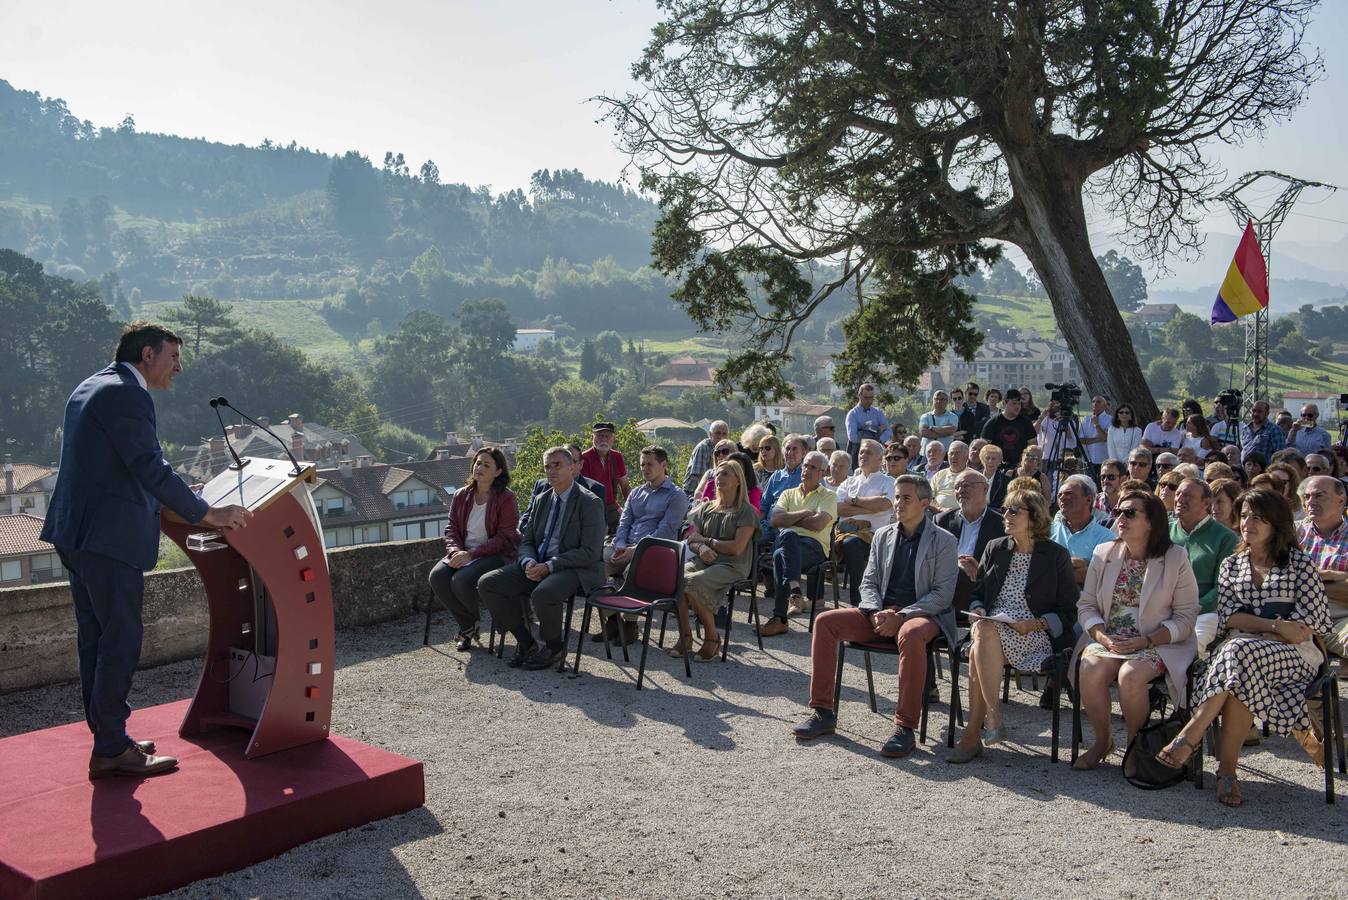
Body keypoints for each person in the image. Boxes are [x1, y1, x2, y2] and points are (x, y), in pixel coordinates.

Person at [41, 322, 253, 778]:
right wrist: (207, 512)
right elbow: (147, 465)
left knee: (95, 640)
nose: (178, 367)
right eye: (174, 357)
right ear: (147, 354)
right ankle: (113, 748)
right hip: (108, 539)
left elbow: (116, 464)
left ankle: (109, 739)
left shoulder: (92, 385)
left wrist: (182, 495)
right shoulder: (127, 394)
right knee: (120, 642)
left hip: (76, 533)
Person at [1157, 490, 1330, 807]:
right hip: (1244, 656)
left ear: (1276, 524)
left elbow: (1306, 626)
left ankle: (1192, 736)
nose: (1248, 523)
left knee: (1238, 651)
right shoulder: (1231, 565)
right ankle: (1226, 774)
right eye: (1246, 515)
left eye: (1258, 517)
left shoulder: (1300, 564)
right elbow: (1227, 615)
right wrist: (1276, 625)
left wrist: (1259, 626)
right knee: (1241, 670)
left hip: (1296, 657)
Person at [793, 476, 957, 758]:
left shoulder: (943, 540)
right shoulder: (883, 535)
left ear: (925, 503)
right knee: (825, 621)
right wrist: (872, 612)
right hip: (880, 613)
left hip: (923, 615)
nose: (898, 503)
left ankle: (904, 728)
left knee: (911, 633)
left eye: (906, 498)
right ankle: (822, 713)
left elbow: (942, 595)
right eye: (897, 497)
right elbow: (868, 582)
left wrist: (902, 615)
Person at [1071, 490, 1200, 770]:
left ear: (1151, 522)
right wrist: (1101, 635)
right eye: (1118, 511)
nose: (1121, 518)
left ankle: (1133, 748)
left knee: (1130, 676)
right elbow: (1087, 605)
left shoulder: (1175, 557)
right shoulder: (1104, 553)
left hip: (1157, 642)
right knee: (1090, 668)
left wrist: (1147, 640)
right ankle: (1102, 742)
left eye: (1130, 513)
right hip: (1110, 639)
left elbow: (1187, 616)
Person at [947, 489, 1077, 762]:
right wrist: (977, 608)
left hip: (1034, 634)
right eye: (1006, 509)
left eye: (1014, 510)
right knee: (984, 628)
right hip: (992, 627)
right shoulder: (996, 547)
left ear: (1035, 517)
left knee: (976, 650)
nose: (1005, 515)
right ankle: (991, 718)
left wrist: (1035, 624)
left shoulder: (1056, 555)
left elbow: (1069, 611)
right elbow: (978, 593)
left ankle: (976, 732)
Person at [479, 446, 606, 671]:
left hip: (575, 567)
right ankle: (526, 642)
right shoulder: (541, 499)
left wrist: (550, 565)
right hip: (539, 563)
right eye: (547, 466)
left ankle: (554, 647)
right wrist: (528, 562)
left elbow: (590, 552)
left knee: (544, 593)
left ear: (572, 467)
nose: (551, 471)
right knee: (488, 583)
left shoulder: (590, 502)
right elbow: (527, 541)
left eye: (557, 465)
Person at [429, 447, 521, 651]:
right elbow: (451, 528)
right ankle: (469, 626)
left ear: (498, 472)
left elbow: (505, 538)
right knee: (437, 577)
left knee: (460, 580)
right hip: (464, 553)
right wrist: (454, 552)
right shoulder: (462, 495)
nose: (480, 468)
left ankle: (468, 629)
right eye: (478, 463)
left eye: (487, 465)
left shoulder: (506, 498)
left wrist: (471, 554)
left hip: (496, 554)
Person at [600, 446, 690, 644]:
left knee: (631, 572)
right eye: (642, 464)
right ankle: (613, 618)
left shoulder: (676, 496)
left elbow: (665, 531)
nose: (645, 469)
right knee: (593, 567)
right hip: (627, 546)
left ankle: (630, 624)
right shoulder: (636, 493)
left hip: (656, 552)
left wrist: (636, 551)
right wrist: (621, 545)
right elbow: (624, 522)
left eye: (650, 464)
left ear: (663, 465)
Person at [676, 461, 761, 661]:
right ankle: (686, 636)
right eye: (717, 474)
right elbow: (692, 540)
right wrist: (701, 547)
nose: (718, 478)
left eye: (724, 474)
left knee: (693, 582)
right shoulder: (706, 508)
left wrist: (707, 542)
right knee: (674, 577)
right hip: (705, 560)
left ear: (738, 480)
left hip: (733, 564)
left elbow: (737, 548)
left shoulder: (746, 511)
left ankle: (712, 638)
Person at [762, 451, 838, 636]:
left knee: (780, 554)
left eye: (812, 467)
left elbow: (818, 524)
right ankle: (795, 591)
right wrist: (805, 513)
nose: (806, 470)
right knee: (786, 539)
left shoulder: (828, 496)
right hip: (790, 546)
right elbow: (775, 520)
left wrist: (789, 519)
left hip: (814, 548)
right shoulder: (788, 494)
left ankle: (781, 617)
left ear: (822, 473)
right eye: (805, 465)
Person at [1170, 478, 1239, 654]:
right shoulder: (1164, 531)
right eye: (1178, 494)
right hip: (1163, 608)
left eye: (1188, 496)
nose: (1180, 499)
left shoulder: (1226, 538)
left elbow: (1222, 587)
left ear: (1205, 503)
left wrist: (1192, 609)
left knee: (1191, 643)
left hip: (1205, 612)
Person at [833, 440, 896, 607]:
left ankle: (858, 601)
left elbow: (884, 505)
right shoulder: (848, 482)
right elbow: (839, 509)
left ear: (880, 459)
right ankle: (859, 601)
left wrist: (852, 500)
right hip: (846, 532)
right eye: (861, 452)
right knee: (850, 542)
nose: (863, 455)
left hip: (876, 535)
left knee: (852, 544)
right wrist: (871, 507)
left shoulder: (889, 482)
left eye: (868, 452)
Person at [934, 470, 1005, 615]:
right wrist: (955, 564)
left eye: (966, 486)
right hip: (945, 584)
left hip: (981, 588)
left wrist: (980, 570)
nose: (960, 491)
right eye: (957, 487)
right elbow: (930, 557)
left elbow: (1004, 567)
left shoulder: (1001, 524)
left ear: (985, 488)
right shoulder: (942, 520)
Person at [1295, 475, 1348, 659]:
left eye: (1319, 496)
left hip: (1339, 617)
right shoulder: (1292, 533)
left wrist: (1305, 579)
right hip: (1294, 618)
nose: (1311, 502)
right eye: (1307, 496)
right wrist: (1330, 576)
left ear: (1341, 500)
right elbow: (1278, 577)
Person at [1051, 474, 1116, 586]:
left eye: (1068, 493)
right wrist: (1083, 564)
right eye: (1059, 495)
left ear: (1088, 499)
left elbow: (1103, 575)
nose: (1062, 498)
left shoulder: (1106, 537)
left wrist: (1055, 566)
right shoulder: (1048, 531)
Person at [580, 422, 630, 536]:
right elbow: (584, 491)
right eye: (599, 436)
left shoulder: (617, 457)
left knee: (629, 529)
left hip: (612, 506)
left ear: (613, 438)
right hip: (593, 509)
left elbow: (625, 486)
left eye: (607, 436)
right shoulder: (584, 459)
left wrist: (630, 509)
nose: (603, 439)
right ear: (592, 437)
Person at [760, 433, 809, 536]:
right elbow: (764, 506)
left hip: (794, 529)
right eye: (787, 449)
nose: (790, 452)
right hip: (769, 527)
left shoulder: (808, 477)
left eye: (795, 449)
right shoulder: (776, 476)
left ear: (803, 453)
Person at [981, 389, 1037, 468]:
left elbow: (1033, 445)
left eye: (1019, 404)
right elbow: (983, 447)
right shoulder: (993, 423)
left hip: (1020, 468)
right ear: (1004, 403)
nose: (1017, 406)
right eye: (1014, 403)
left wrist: (1025, 462)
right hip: (997, 468)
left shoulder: (1026, 423)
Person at [846, 382, 893, 466]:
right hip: (858, 453)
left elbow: (888, 432)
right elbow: (853, 437)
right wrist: (877, 434)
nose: (869, 400)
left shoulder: (878, 412)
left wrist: (863, 432)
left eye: (871, 398)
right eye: (866, 397)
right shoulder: (852, 414)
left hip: (876, 453)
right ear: (859, 396)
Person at [683, 420, 729, 495]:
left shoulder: (727, 450)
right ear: (710, 434)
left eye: (724, 434)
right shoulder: (703, 448)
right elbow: (700, 479)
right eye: (717, 433)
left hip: (713, 491)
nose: (721, 437)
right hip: (692, 493)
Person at [930, 440, 970, 510]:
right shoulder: (939, 475)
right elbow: (929, 499)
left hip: (964, 515)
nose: (953, 456)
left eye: (957, 453)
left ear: (966, 457)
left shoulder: (973, 476)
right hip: (939, 514)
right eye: (951, 453)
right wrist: (940, 509)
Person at [1077, 395, 1112, 469]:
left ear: (1104, 406)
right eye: (1093, 401)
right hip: (1088, 460)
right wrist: (1098, 439)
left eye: (1098, 402)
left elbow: (1105, 438)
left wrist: (1096, 424)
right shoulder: (1086, 419)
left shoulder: (1110, 420)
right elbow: (1081, 440)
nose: (1095, 404)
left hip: (1104, 461)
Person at [979, 443, 1010, 509]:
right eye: (987, 458)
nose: (990, 461)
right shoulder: (974, 476)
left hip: (994, 513)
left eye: (993, 459)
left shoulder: (1005, 481)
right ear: (982, 459)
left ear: (999, 461)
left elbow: (1002, 503)